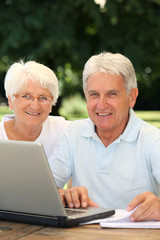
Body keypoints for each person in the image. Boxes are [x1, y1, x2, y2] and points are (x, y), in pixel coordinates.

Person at [51, 52, 160, 221]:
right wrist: (64, 195)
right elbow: (43, 191)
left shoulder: (153, 140)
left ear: (132, 97)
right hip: (83, 235)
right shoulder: (72, 133)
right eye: (94, 94)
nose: (101, 105)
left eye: (111, 94)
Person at [0, 60, 70, 165]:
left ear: (51, 103)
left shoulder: (62, 130)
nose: (35, 106)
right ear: (10, 101)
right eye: (26, 96)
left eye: (43, 98)